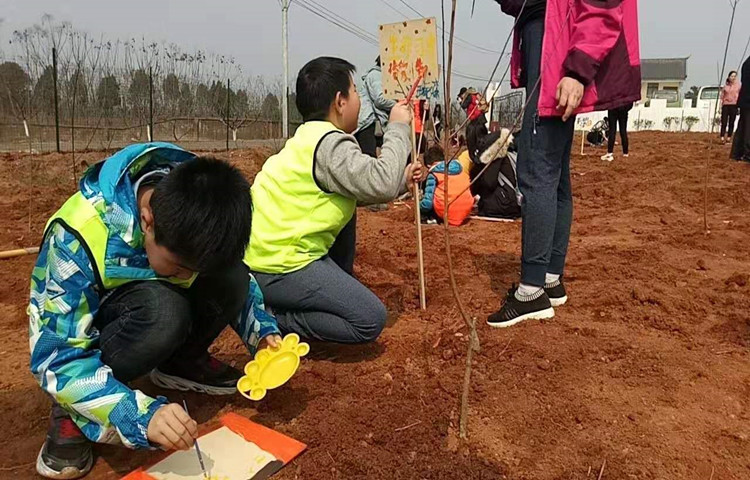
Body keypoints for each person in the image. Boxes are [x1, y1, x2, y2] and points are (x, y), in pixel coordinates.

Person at [29, 143, 281, 479]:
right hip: (91, 335)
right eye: (179, 267)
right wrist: (139, 415)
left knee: (231, 276)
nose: (190, 279)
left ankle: (182, 362)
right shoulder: (76, 236)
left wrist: (262, 334)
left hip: (146, 304)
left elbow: (236, 275)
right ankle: (72, 414)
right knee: (164, 313)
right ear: (148, 222)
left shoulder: (199, 206)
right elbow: (57, 356)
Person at [246, 57, 421, 344]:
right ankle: (274, 317)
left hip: (263, 258)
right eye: (355, 92)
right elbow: (381, 182)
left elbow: (356, 187)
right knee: (369, 318)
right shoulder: (331, 144)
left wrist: (400, 180)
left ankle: (286, 302)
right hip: (279, 266)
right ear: (340, 102)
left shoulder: (306, 139)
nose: (359, 100)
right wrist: (398, 126)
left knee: (347, 220)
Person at [489, 0, 641, 328]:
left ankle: (530, 291)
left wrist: (577, 70)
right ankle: (549, 277)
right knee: (554, 174)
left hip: (555, 44)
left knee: (537, 166)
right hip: (548, 39)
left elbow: (602, 6)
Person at [469, 129, 522, 220]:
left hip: (504, 204)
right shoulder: (510, 155)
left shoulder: (496, 158)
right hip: (514, 203)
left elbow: (489, 183)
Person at [420, 145, 474, 226]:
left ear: (428, 165)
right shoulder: (460, 169)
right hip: (466, 209)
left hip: (446, 211)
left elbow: (428, 204)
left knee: (425, 206)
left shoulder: (434, 174)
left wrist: (419, 206)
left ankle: (430, 219)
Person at [354, 56, 396, 157]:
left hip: (371, 121)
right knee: (368, 156)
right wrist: (398, 104)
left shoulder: (379, 76)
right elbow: (380, 99)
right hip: (368, 121)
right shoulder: (376, 75)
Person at [731, 57, 750, 162]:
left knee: (743, 127)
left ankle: (736, 153)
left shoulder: (746, 62)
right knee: (747, 128)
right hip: (748, 100)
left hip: (745, 100)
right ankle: (747, 154)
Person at [720, 70, 741, 144]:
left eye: (735, 76)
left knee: (731, 122)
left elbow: (740, 96)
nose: (733, 77)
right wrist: (720, 106)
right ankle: (722, 137)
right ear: (728, 77)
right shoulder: (725, 86)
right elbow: (722, 97)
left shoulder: (739, 85)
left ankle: (729, 137)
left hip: (734, 105)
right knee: (724, 121)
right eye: (732, 76)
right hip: (725, 105)